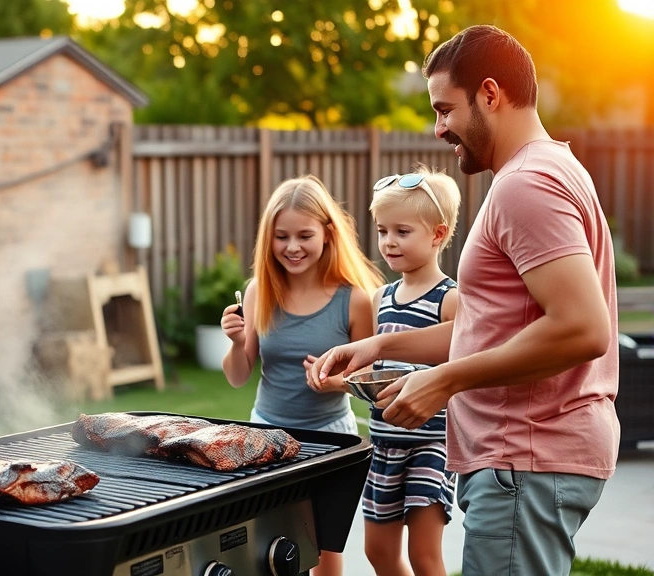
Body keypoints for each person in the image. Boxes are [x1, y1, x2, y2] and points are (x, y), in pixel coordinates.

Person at [311, 25, 618, 576]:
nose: (439, 129)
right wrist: (380, 345)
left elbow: (582, 329)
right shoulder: (552, 168)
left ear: (491, 94)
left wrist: (447, 380)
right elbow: (493, 328)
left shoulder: (527, 184)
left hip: (525, 457)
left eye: (446, 109)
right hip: (528, 458)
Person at [221, 174, 382, 576]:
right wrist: (237, 342)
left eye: (304, 235)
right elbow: (238, 377)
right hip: (266, 437)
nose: (292, 247)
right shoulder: (259, 291)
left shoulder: (354, 300)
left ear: (327, 234)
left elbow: (372, 382)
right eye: (281, 237)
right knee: (267, 549)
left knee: (323, 549)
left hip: (331, 438)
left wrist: (337, 383)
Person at [341, 167, 461, 576]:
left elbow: (461, 370)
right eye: (382, 230)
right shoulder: (381, 298)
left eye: (402, 231)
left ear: (438, 234)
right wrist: (340, 382)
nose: (389, 241)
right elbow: (378, 371)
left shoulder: (450, 299)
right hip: (384, 444)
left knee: (424, 557)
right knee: (378, 552)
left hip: (431, 444)